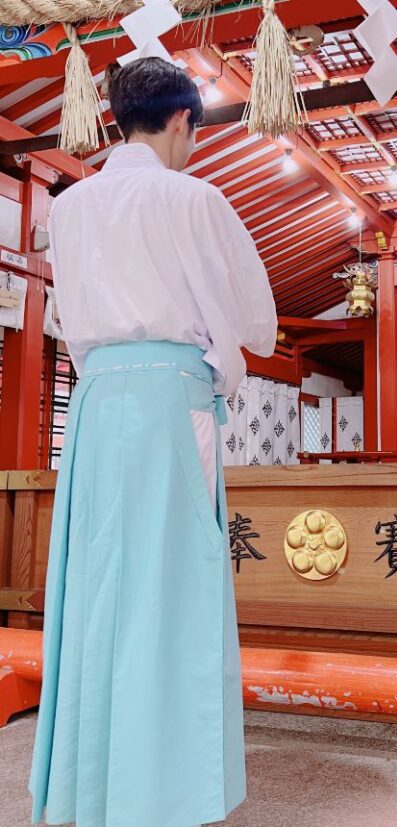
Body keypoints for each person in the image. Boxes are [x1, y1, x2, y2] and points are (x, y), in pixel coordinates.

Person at [28, 57, 277, 827]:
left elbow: (67, 319)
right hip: (173, 402)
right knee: (174, 587)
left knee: (100, 584)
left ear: (115, 120)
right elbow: (254, 320)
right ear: (180, 122)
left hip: (99, 403)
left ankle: (93, 783)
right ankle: (161, 792)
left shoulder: (69, 208)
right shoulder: (194, 196)